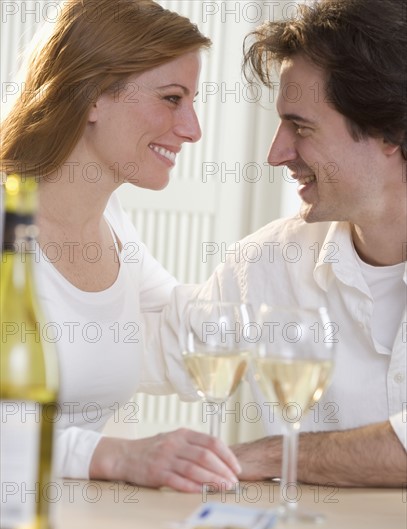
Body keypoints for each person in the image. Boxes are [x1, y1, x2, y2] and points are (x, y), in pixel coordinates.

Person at [161, 0, 406, 487]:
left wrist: (274, 456)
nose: (277, 153)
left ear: (391, 134)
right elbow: (145, 353)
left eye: (301, 126)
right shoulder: (267, 264)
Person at [0, 0, 241, 493]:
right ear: (92, 95)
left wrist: (314, 235)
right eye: (172, 98)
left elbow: (190, 335)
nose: (192, 129)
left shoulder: (112, 225)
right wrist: (119, 456)